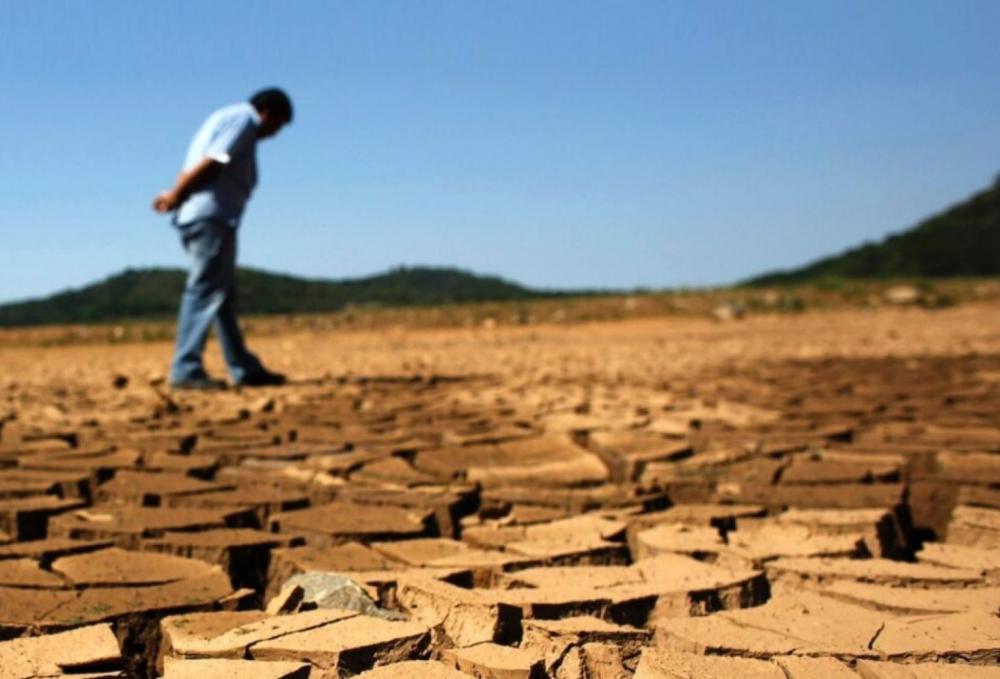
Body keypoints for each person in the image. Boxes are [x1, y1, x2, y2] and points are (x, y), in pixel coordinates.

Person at [152, 88, 292, 389]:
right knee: (204, 291)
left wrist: (177, 193)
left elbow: (196, 163)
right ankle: (185, 369)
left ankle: (244, 368)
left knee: (222, 296)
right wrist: (177, 194)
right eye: (278, 125)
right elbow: (215, 160)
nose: (275, 133)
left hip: (203, 216)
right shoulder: (243, 120)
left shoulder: (222, 118)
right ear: (267, 112)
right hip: (211, 218)